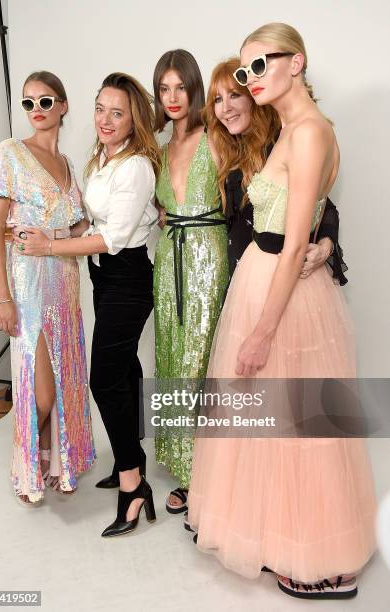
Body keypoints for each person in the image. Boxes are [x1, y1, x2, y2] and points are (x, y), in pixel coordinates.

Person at [188, 23, 376, 599]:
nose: (251, 79)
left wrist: (263, 332)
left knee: (300, 428)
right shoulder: (295, 129)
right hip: (265, 285)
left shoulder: (311, 132)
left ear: (297, 62)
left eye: (262, 64)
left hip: (285, 299)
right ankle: (274, 537)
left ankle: (317, 556)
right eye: (246, 71)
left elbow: (295, 242)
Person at [14, 72, 160, 537]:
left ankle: (133, 483)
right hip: (104, 278)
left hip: (127, 278)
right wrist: (53, 236)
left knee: (105, 378)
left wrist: (49, 249)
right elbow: (87, 222)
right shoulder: (101, 158)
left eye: (118, 113)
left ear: (134, 119)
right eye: (101, 108)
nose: (106, 119)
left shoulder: (135, 166)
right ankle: (125, 458)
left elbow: (111, 238)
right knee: (125, 370)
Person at [0, 71, 96, 506]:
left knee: (64, 377)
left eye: (45, 102)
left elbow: (79, 224)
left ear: (63, 106)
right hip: (28, 286)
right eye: (28, 103)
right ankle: (24, 466)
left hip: (66, 283)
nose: (36, 111)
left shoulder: (68, 165)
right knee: (40, 387)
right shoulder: (10, 153)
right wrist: (2, 296)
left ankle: (51, 460)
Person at [152, 49, 229, 513]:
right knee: (171, 358)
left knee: (204, 362)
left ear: (195, 87)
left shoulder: (216, 137)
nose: (173, 96)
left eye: (181, 86)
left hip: (208, 258)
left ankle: (211, 473)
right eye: (164, 88)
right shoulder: (158, 149)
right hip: (168, 264)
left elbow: (254, 193)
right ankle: (185, 470)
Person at [205, 57, 347, 283]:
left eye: (234, 95)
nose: (225, 109)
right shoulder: (227, 149)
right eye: (217, 100)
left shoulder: (281, 144)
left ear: (254, 96)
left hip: (275, 276)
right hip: (235, 277)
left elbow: (321, 204)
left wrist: (325, 246)